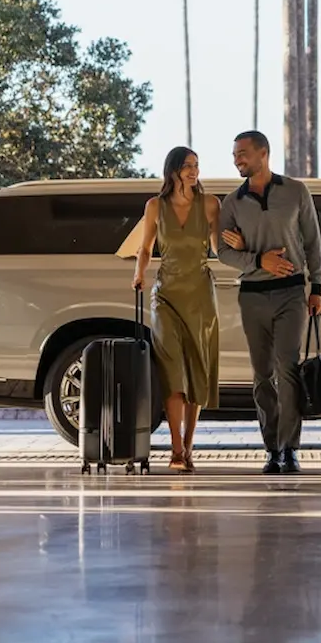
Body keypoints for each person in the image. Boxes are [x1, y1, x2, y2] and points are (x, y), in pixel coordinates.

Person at [217, 130, 321, 475]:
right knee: (262, 375)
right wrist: (258, 260)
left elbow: (312, 241)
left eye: (243, 153)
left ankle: (290, 448)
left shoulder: (296, 191)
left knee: (287, 369)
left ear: (263, 153)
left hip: (291, 293)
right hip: (252, 296)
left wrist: (317, 287)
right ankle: (272, 449)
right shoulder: (232, 203)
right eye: (235, 154)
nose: (237, 159)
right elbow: (222, 252)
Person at [133, 146, 221, 472]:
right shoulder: (155, 206)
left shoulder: (210, 204)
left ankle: (189, 444)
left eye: (196, 165)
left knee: (197, 370)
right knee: (172, 371)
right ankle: (175, 449)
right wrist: (139, 274)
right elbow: (145, 248)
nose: (194, 171)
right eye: (187, 166)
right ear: (173, 170)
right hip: (166, 296)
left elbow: (217, 248)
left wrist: (237, 243)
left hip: (200, 297)